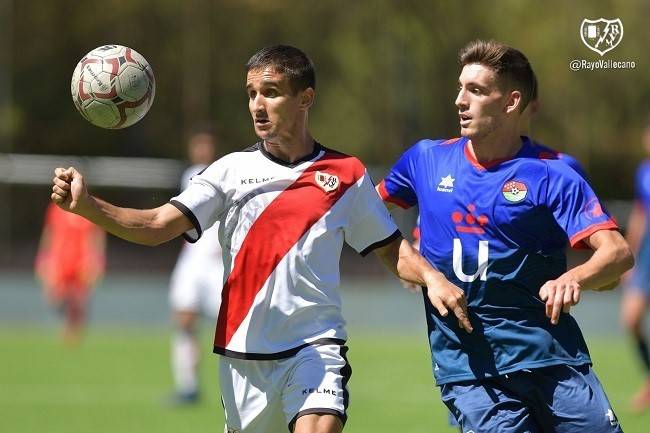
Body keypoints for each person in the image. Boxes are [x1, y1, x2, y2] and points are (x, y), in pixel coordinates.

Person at [50, 45, 471, 433]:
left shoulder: (346, 174)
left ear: (305, 98)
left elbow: (391, 249)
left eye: (270, 93)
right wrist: (89, 206)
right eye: (251, 94)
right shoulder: (228, 171)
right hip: (243, 358)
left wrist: (432, 278)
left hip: (316, 347)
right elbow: (158, 224)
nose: (257, 104)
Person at [378, 39, 633, 433]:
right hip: (472, 372)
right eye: (460, 88)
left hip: (554, 358)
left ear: (511, 102)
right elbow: (366, 220)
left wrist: (573, 278)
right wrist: (422, 270)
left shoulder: (554, 174)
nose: (460, 100)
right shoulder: (425, 160)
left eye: (476, 90)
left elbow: (616, 253)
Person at [168, 131, 223, 405]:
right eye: (197, 145)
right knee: (184, 319)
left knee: (231, 326)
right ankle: (188, 386)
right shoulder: (190, 175)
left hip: (217, 263)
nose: (202, 150)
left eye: (206, 145)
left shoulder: (225, 174)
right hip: (192, 260)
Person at [35, 202, 106, 345]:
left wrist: (97, 261)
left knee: (78, 301)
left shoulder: (89, 205)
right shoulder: (56, 208)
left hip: (81, 263)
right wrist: (43, 259)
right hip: (60, 262)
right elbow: (49, 233)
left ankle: (74, 333)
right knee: (55, 299)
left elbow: (97, 235)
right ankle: (70, 326)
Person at [620, 119, 650, 413]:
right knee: (631, 319)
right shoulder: (643, 172)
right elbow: (641, 215)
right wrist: (629, 256)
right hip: (647, 258)